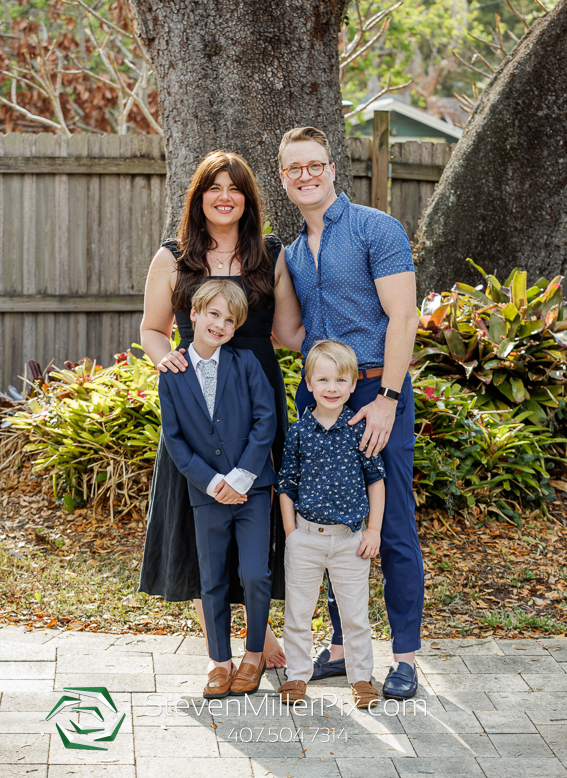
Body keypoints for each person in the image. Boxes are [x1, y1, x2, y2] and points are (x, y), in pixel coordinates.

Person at [139, 149, 304, 671]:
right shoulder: (172, 258)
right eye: (215, 188)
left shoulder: (270, 255)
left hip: (256, 400)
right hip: (195, 400)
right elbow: (151, 329)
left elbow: (287, 334)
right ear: (200, 197)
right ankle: (218, 653)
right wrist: (167, 360)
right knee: (199, 513)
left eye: (235, 188)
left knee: (256, 510)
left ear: (248, 198)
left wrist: (356, 353)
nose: (225, 197)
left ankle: (261, 635)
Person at [280, 126, 423, 700]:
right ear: (284, 178)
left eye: (315, 165)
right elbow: (289, 331)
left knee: (389, 525)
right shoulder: (290, 252)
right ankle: (340, 650)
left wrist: (386, 399)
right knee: (332, 519)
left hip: (374, 393)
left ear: (333, 168)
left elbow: (404, 317)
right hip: (321, 396)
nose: (306, 175)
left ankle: (406, 658)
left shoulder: (375, 228)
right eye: (295, 168)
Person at [159, 278, 276, 697]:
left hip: (252, 490)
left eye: (230, 320)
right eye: (214, 314)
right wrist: (212, 482)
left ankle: (253, 656)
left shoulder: (246, 364)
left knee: (255, 574)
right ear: (193, 314)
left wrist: (242, 475)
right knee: (212, 580)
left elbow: (266, 421)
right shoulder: (173, 374)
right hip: (206, 494)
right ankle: (220, 661)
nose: (221, 324)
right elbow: (174, 439)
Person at [276, 340, 385, 708]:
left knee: (355, 615)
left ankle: (361, 679)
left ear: (353, 384)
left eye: (341, 380)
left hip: (350, 541)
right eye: (323, 380)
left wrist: (373, 530)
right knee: (299, 612)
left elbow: (376, 481)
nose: (332, 388)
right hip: (306, 537)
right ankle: (296, 677)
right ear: (309, 383)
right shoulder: (298, 432)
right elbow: (286, 485)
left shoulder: (359, 429)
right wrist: (292, 535)